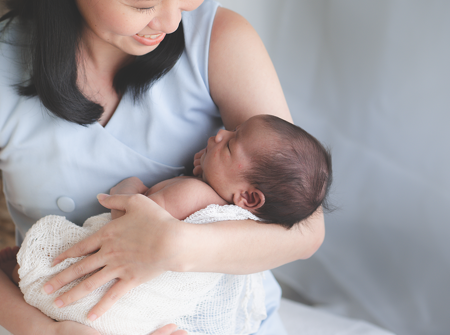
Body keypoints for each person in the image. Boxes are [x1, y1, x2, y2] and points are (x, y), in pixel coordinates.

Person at [0, 0, 326, 334]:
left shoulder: (219, 40)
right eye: (144, 5)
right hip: (55, 314)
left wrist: (174, 246)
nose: (172, 23)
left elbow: (306, 229)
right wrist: (53, 332)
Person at [0, 114, 332, 334]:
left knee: (46, 264)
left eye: (230, 144)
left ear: (248, 198)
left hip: (112, 289)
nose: (219, 133)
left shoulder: (192, 192)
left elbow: (131, 224)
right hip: (149, 317)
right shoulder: (242, 225)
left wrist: (128, 186)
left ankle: (16, 270)